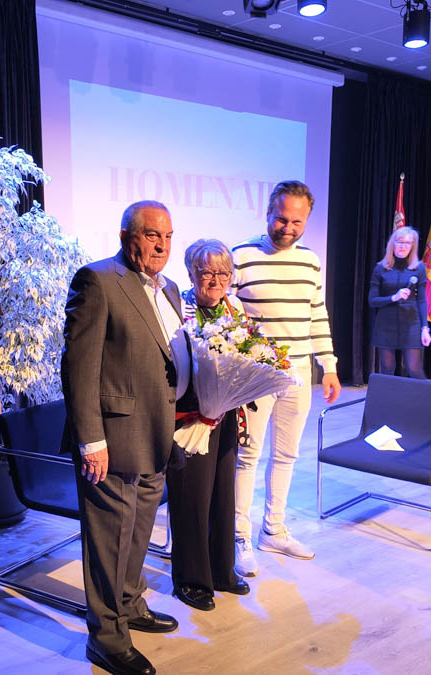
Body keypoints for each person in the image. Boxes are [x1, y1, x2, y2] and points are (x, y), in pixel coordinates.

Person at [61, 200, 186, 675]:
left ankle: (130, 604)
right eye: (152, 235)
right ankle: (107, 638)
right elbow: (78, 367)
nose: (162, 245)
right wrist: (90, 439)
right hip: (112, 440)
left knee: (138, 532)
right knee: (110, 539)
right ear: (126, 236)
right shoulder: (97, 280)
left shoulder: (170, 288)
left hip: (157, 434)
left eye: (168, 236)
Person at [230, 180, 341, 577]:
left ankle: (273, 530)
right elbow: (225, 315)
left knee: (286, 455)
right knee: (247, 456)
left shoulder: (310, 261)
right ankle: (238, 537)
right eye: (281, 219)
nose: (288, 228)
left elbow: (317, 313)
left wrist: (328, 365)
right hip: (254, 375)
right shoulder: (241, 255)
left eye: (297, 222)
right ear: (267, 213)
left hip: (299, 372)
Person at [168, 239, 251, 612]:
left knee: (222, 494)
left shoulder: (235, 309)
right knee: (192, 498)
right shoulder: (177, 310)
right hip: (189, 416)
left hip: (226, 412)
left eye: (224, 273)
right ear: (191, 273)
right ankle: (191, 579)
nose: (216, 280)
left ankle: (221, 570)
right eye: (207, 272)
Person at [368, 226, 431, 379]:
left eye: (407, 243)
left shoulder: (418, 269)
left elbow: (422, 300)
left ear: (412, 246)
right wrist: (393, 297)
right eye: (399, 242)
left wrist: (425, 328)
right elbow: (372, 301)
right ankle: (387, 395)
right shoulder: (381, 268)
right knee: (387, 368)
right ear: (393, 244)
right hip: (385, 324)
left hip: (411, 324)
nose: (403, 246)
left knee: (414, 368)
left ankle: (424, 395)